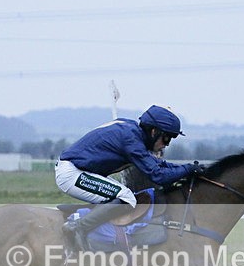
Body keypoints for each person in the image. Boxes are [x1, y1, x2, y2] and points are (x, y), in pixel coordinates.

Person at [55, 105, 203, 250]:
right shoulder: (131, 140)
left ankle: (85, 219)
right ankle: (78, 228)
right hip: (72, 174)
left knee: (123, 195)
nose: (167, 144)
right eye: (166, 138)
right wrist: (187, 170)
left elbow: (159, 165)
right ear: (153, 131)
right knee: (127, 198)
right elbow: (158, 176)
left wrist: (189, 168)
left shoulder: (132, 132)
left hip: (79, 170)